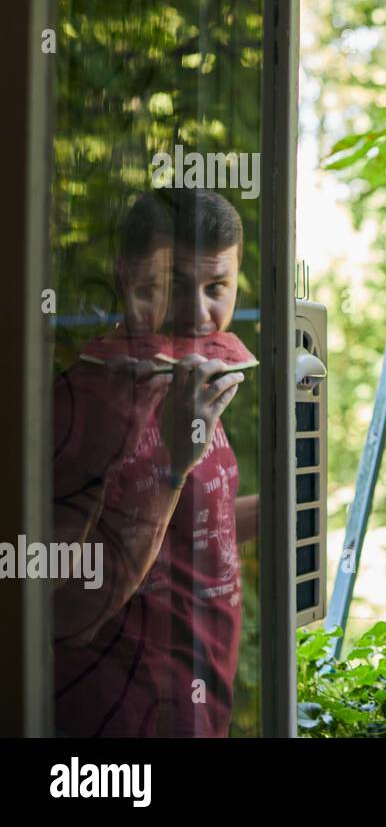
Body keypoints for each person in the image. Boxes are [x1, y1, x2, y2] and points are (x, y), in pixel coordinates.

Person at [52, 188, 254, 736]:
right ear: (126, 277)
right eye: (171, 286)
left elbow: (204, 521)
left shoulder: (187, 381)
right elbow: (61, 612)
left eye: (217, 288)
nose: (196, 313)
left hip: (203, 713)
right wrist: (172, 463)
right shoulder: (79, 408)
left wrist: (305, 498)